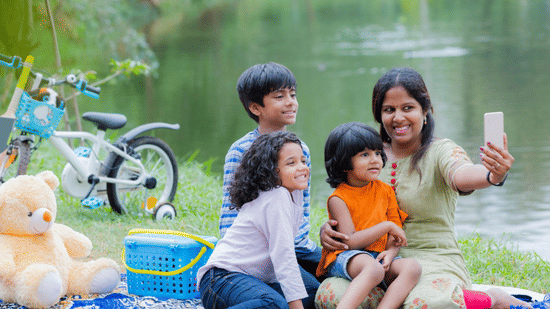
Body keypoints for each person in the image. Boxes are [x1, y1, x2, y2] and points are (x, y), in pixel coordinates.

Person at [319, 67, 531, 309]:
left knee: (427, 304)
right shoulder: (369, 155)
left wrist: (492, 174)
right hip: (375, 261)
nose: (398, 118)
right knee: (330, 295)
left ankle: (492, 300)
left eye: (407, 108)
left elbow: (461, 173)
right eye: (389, 110)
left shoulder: (441, 150)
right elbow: (346, 200)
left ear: (425, 110)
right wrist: (330, 230)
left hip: (434, 259)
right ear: (379, 115)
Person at [218, 62, 322, 282]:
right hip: (257, 250)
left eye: (292, 95)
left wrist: (300, 246)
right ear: (256, 108)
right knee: (307, 293)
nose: (291, 102)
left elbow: (302, 208)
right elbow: (230, 212)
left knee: (337, 270)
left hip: (296, 246)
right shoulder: (241, 151)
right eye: (279, 97)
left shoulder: (301, 149)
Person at [198, 131, 316, 309]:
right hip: (221, 279)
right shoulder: (277, 196)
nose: (302, 167)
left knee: (312, 293)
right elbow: (283, 255)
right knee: (275, 305)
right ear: (270, 172)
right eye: (291, 163)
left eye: (303, 161)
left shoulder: (294, 192)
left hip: (254, 279)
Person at [316, 122, 421, 309]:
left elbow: (395, 234)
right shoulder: (339, 198)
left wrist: (390, 253)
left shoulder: (385, 191)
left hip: (377, 257)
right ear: (344, 162)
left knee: (412, 268)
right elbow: (350, 242)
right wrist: (386, 226)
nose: (375, 160)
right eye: (365, 155)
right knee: (373, 269)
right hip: (347, 256)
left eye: (378, 153)